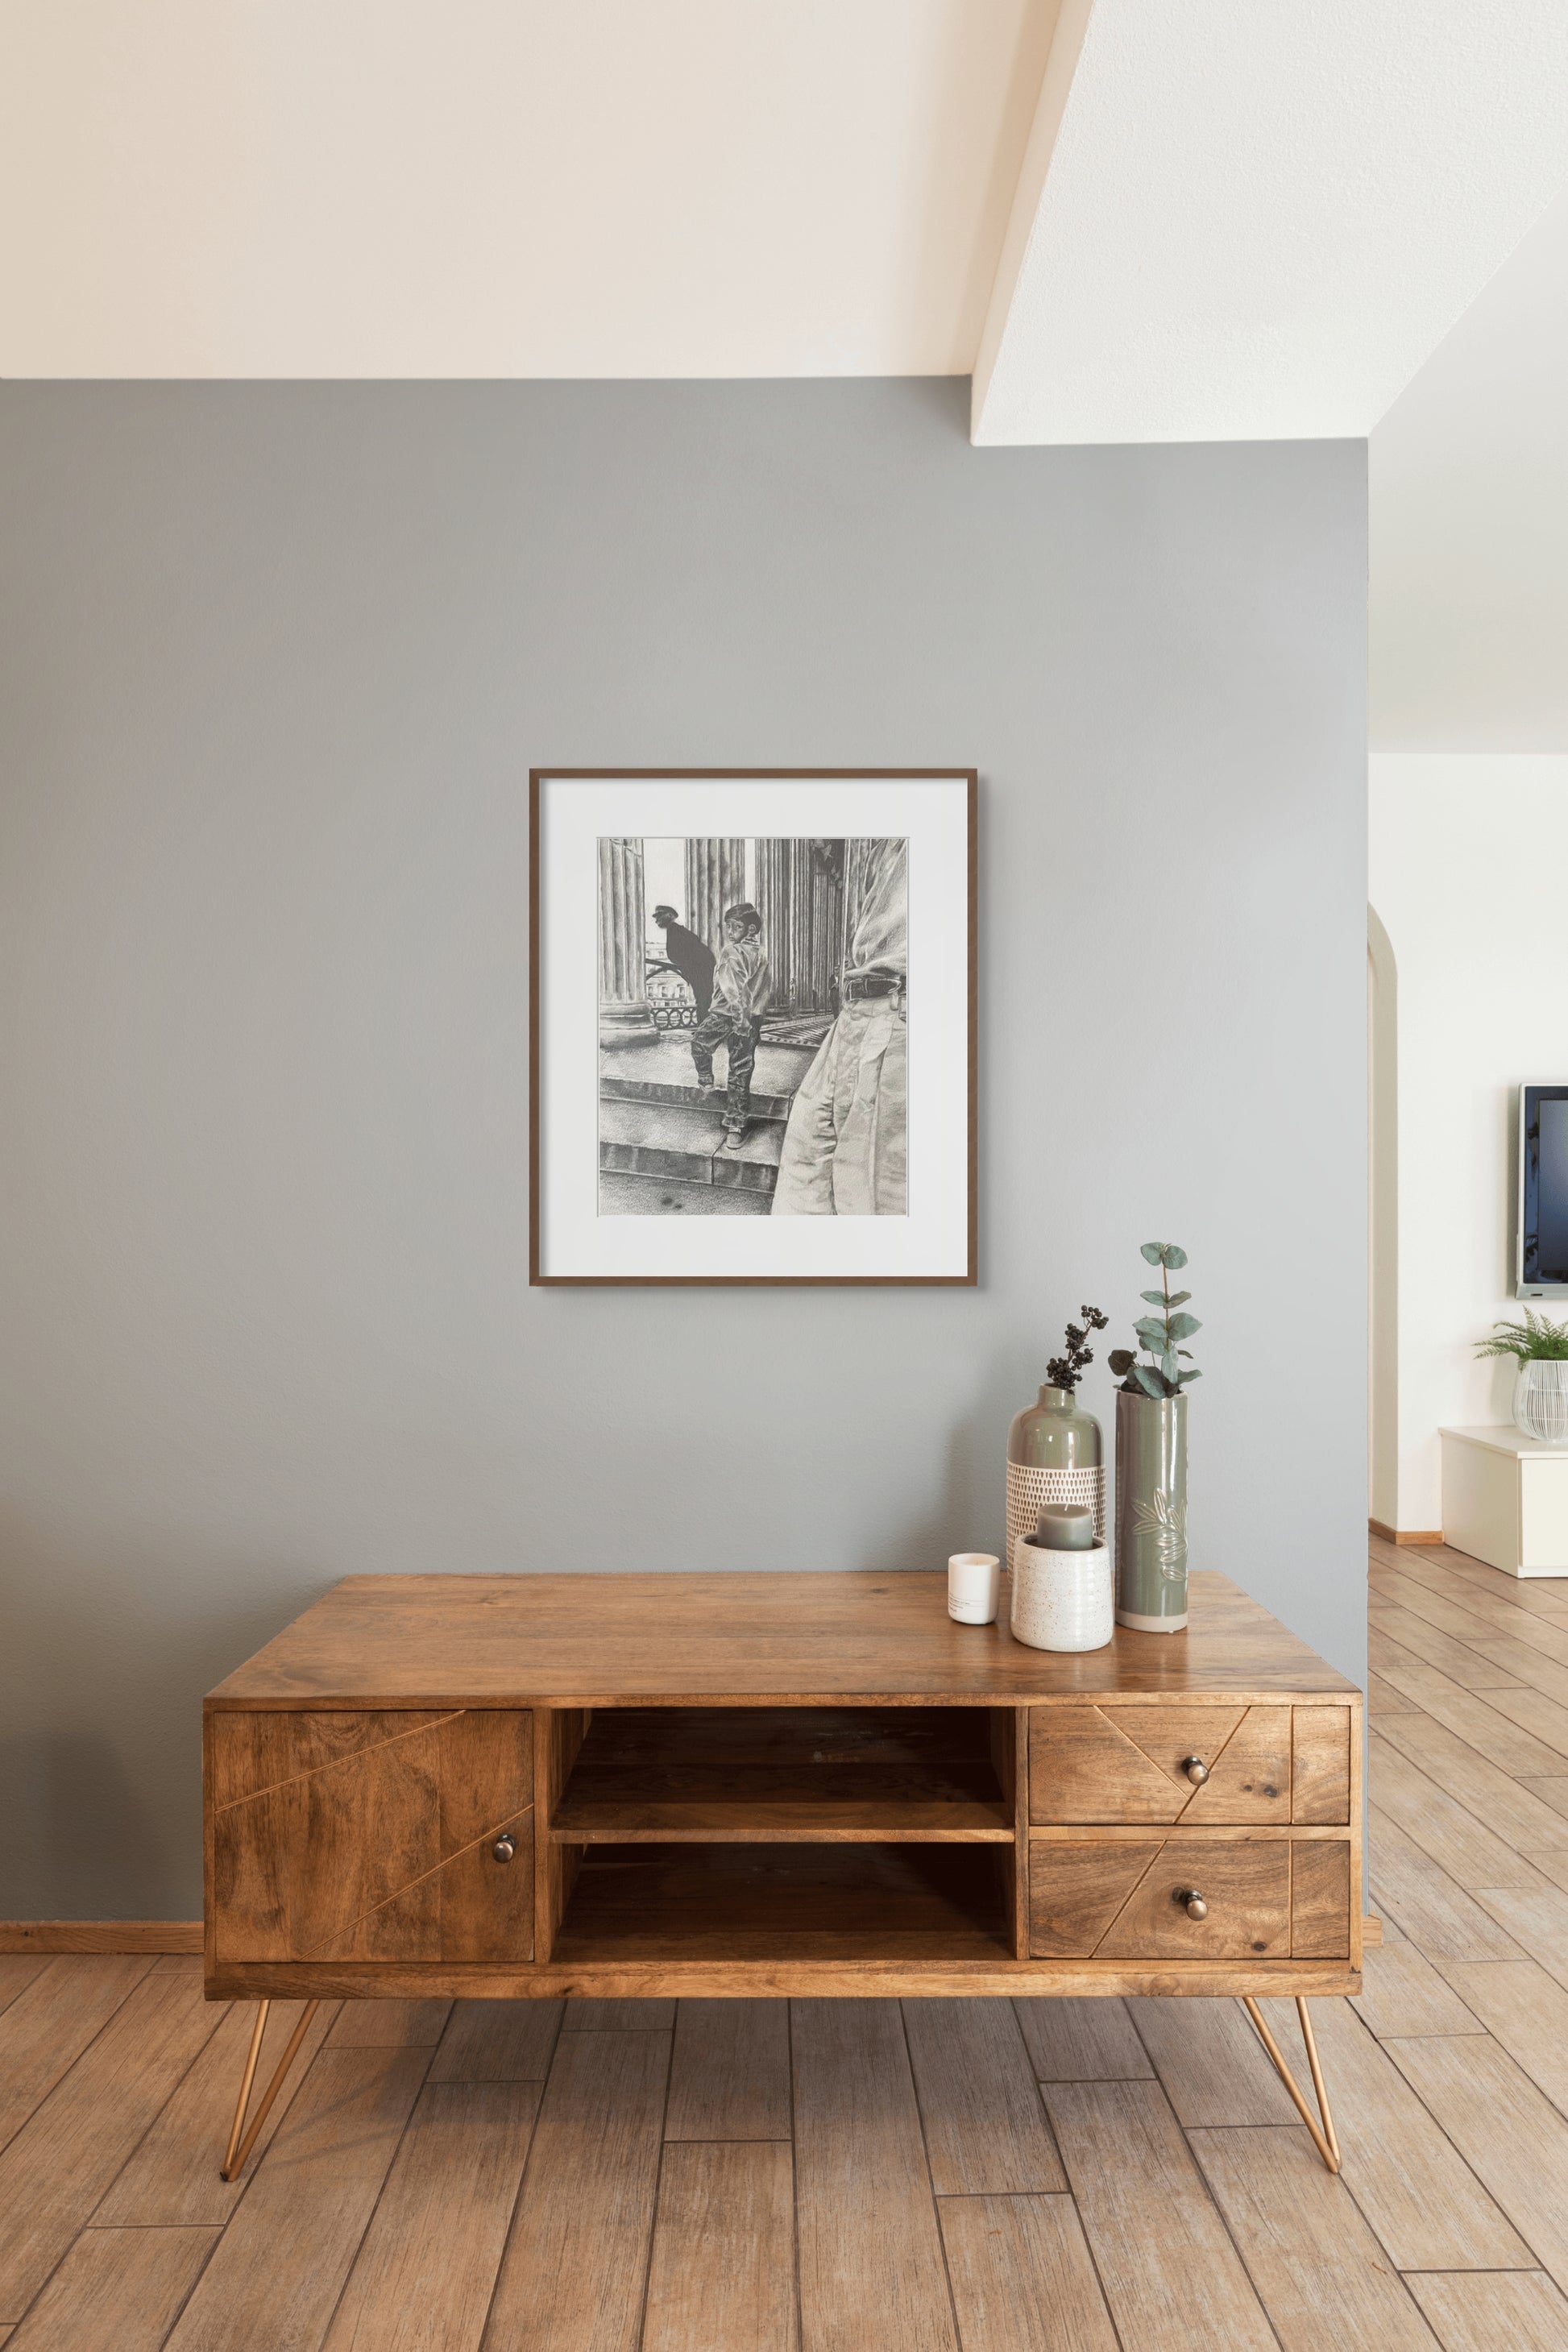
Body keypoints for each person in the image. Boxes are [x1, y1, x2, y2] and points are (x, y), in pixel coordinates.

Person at [772, 839, 906, 1215]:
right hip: (856, 1016)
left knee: (877, 1196)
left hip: (899, 1016)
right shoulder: (882, 844)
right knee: (806, 1184)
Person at [690, 901, 769, 1151]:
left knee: (700, 1042)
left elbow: (732, 988)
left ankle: (706, 1081)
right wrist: (752, 1016)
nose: (730, 932)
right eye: (728, 926)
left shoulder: (730, 951)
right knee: (741, 1068)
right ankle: (735, 1124)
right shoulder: (763, 954)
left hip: (728, 1014)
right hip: (750, 1016)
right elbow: (764, 990)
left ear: (751, 929)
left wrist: (741, 1017)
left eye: (736, 927)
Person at [650, 903, 715, 1019]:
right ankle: (704, 1028)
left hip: (699, 969)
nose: (657, 921)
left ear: (670, 915)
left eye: (659, 916)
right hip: (700, 969)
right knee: (704, 999)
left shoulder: (675, 931)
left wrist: (686, 966)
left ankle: (704, 1029)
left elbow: (680, 953)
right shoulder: (677, 930)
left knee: (703, 999)